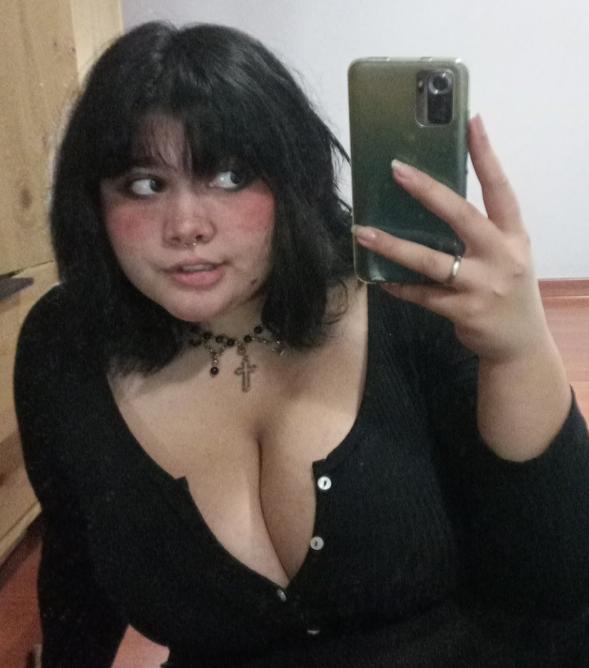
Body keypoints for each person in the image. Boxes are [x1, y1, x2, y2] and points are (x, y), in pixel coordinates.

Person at [13, 20, 589, 668]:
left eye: (230, 175)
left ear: (290, 178)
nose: (185, 226)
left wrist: (519, 349)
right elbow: (76, 581)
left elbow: (555, 588)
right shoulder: (65, 345)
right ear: (92, 201)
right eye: (145, 184)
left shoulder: (407, 298)